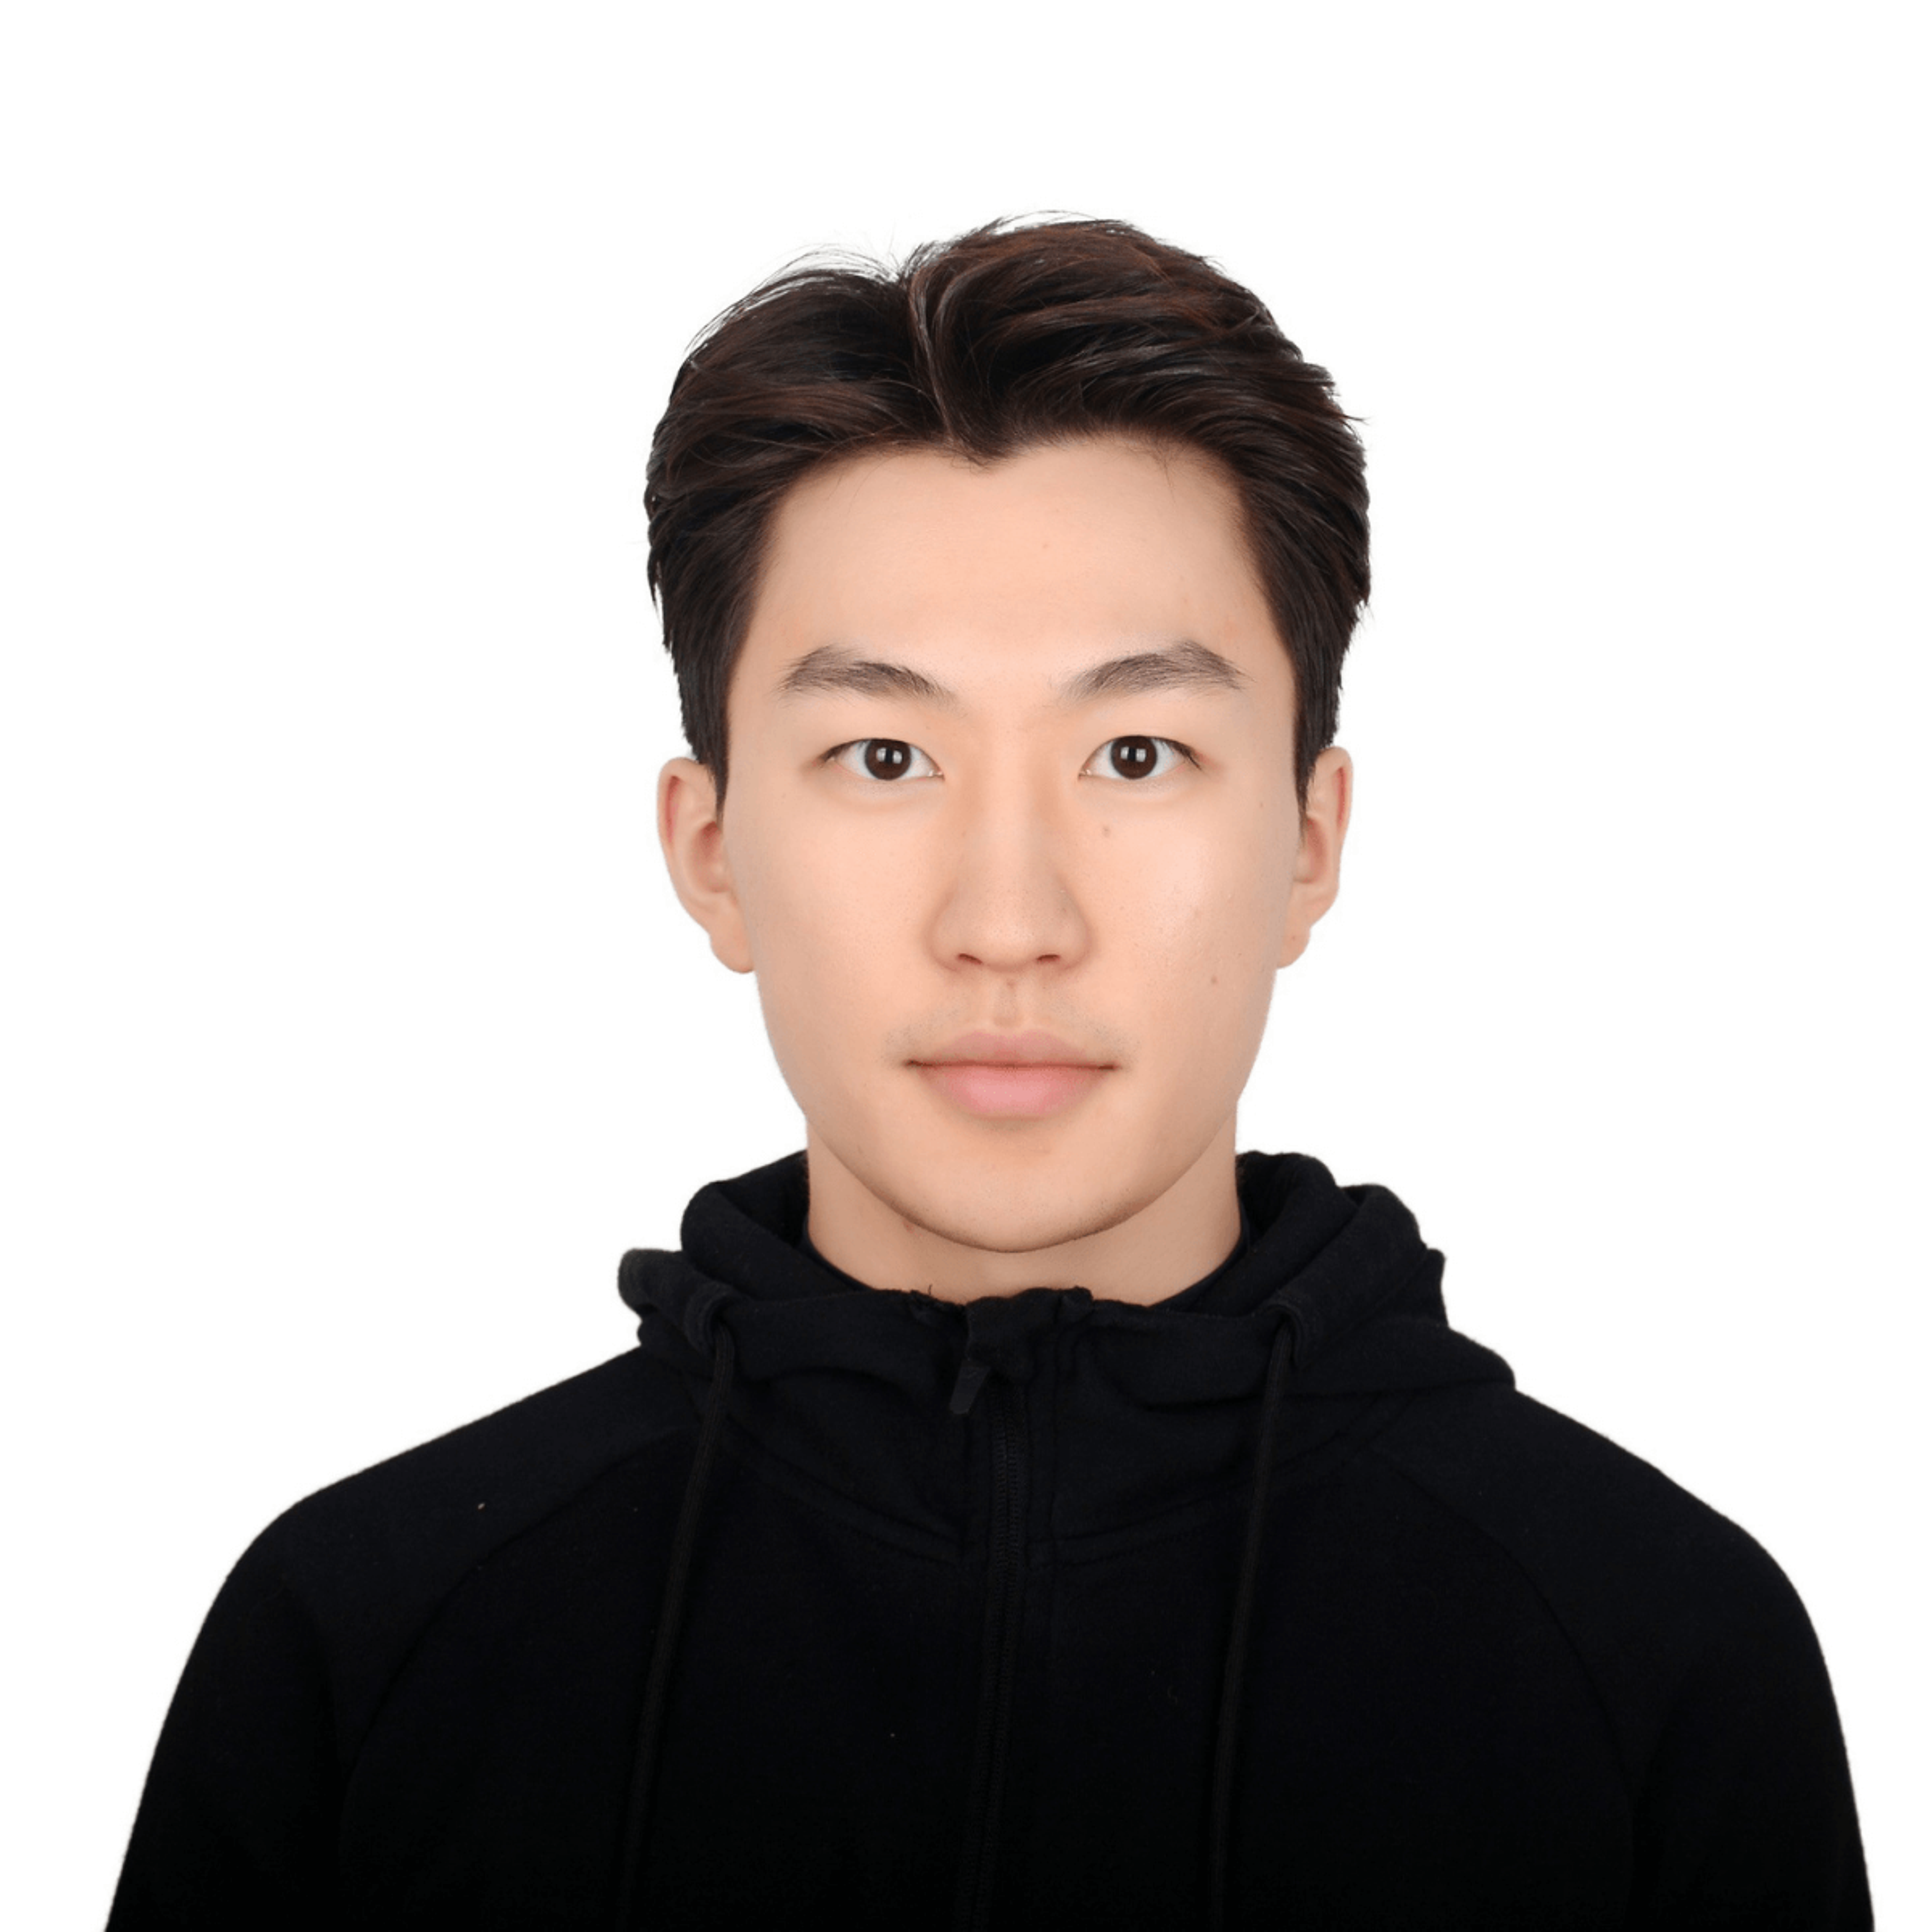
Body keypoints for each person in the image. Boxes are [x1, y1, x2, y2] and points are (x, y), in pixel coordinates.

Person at [108, 218, 1870, 1929]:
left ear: (1310, 843)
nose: (1009, 923)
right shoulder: (367, 1639)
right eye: (884, 756)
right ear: (712, 852)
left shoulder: (1653, 1652)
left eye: (1136, 753)